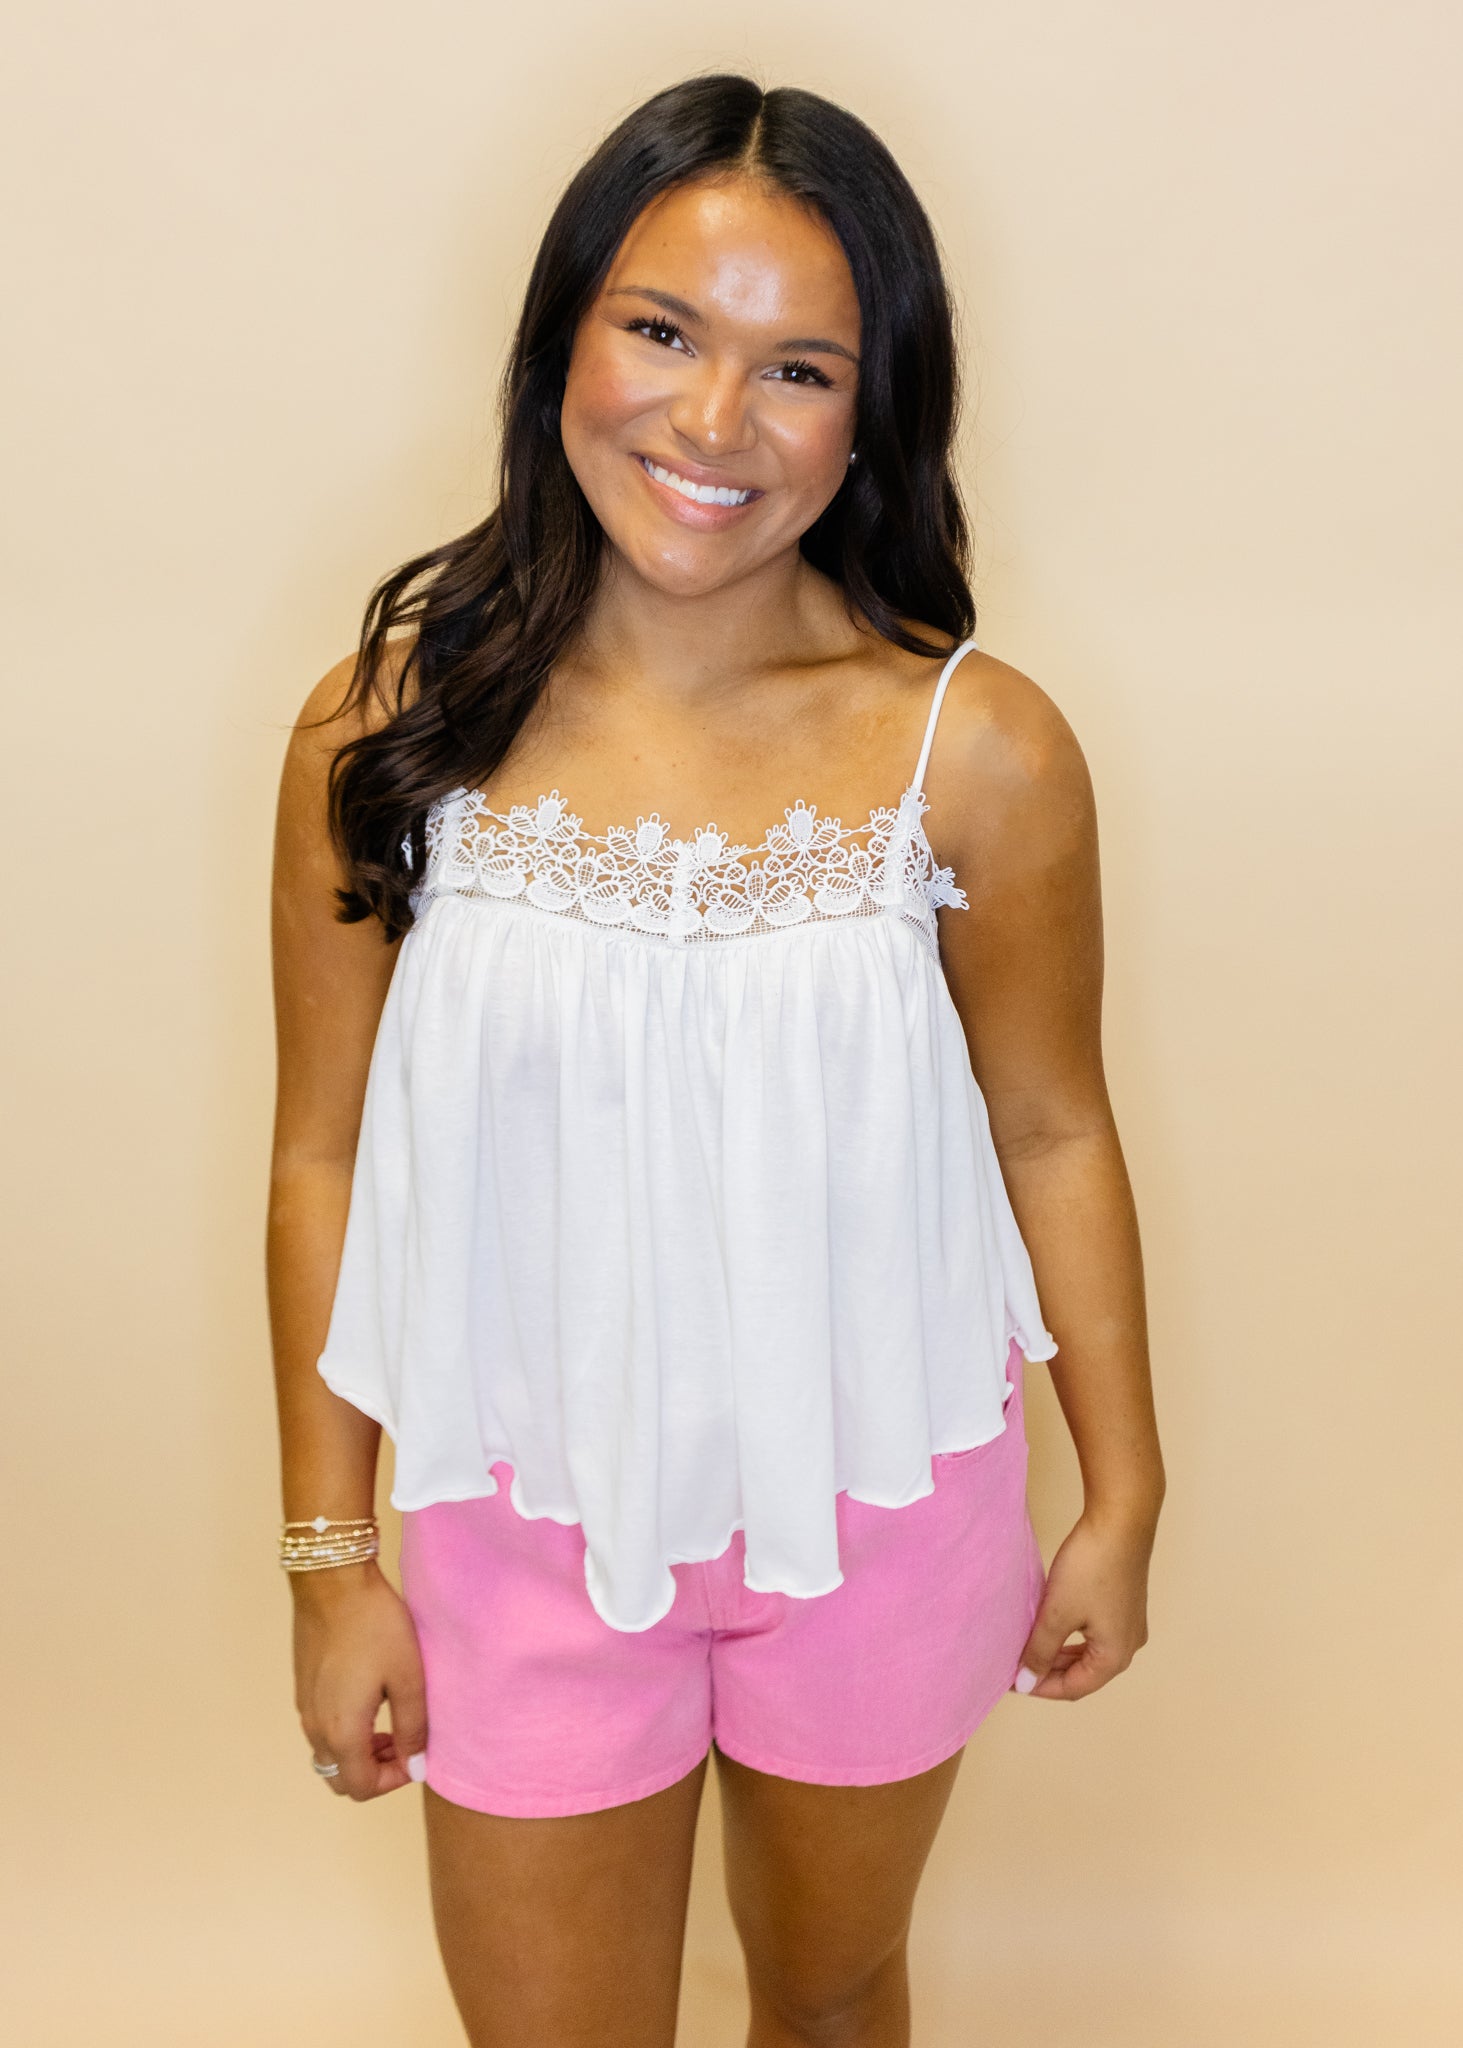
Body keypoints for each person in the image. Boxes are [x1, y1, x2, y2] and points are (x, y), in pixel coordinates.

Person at [267, 72, 1165, 2048]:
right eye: (664, 331)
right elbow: (320, 1154)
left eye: (798, 369)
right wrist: (332, 1562)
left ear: (872, 410)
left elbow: (1053, 1125)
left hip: (886, 1509)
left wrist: (1124, 1489)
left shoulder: (978, 749)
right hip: (520, 1524)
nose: (710, 422)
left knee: (831, 2004)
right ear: (563, 334)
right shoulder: (383, 728)